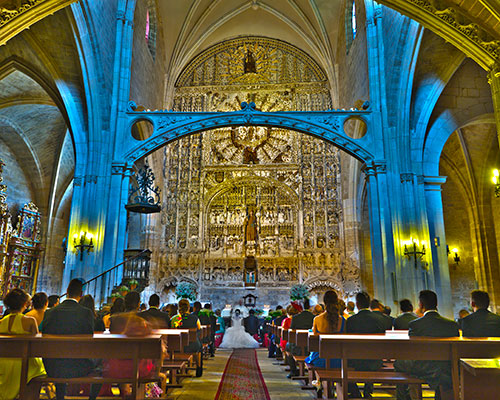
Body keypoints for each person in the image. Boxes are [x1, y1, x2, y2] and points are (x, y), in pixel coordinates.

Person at [41, 278, 101, 400]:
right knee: (102, 363)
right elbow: (88, 339)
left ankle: (60, 397)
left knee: (60, 355)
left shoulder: (50, 312)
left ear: (67, 292)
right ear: (81, 294)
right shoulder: (86, 313)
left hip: (52, 366)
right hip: (79, 367)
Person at [394, 290, 459, 400]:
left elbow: (412, 349)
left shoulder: (415, 324)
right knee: (439, 368)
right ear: (436, 304)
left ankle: (404, 398)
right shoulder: (452, 324)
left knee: (398, 364)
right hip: (445, 367)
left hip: (421, 367)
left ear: (421, 304)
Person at [105, 291, 155, 397]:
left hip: (115, 364)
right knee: (146, 362)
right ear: (138, 304)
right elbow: (150, 345)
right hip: (137, 366)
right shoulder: (142, 320)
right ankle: (138, 393)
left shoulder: (114, 319)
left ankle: (125, 390)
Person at [0, 288, 46, 399]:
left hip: (2, 362)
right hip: (23, 363)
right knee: (40, 370)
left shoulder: (1, 322)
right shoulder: (29, 321)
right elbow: (36, 346)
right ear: (25, 303)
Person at [305, 290, 345, 397]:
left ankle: (319, 383)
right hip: (339, 359)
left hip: (321, 358)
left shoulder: (317, 319)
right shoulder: (342, 320)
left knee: (310, 359)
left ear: (324, 302)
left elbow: (313, 341)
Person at [346, 291, 385, 399]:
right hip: (375, 360)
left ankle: (355, 392)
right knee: (372, 354)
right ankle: (368, 389)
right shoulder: (380, 319)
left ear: (357, 304)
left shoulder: (350, 320)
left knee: (343, 363)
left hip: (355, 360)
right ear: (368, 304)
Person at [170, 299, 204, 377]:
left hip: (178, 346)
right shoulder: (195, 318)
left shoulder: (174, 319)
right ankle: (199, 368)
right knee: (199, 347)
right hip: (193, 345)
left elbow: (172, 330)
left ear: (179, 307)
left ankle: (177, 370)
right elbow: (199, 329)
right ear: (189, 308)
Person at [287, 298, 315, 377]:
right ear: (310, 307)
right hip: (311, 347)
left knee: (288, 346)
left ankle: (293, 371)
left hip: (297, 347)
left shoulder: (295, 318)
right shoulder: (314, 317)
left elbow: (291, 332)